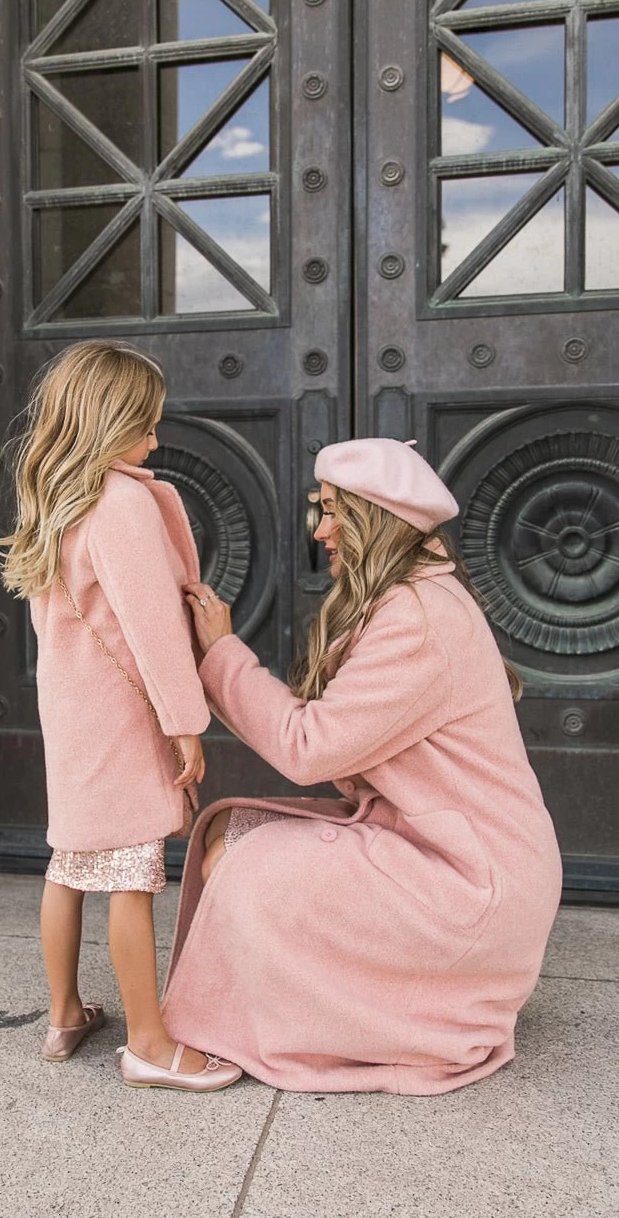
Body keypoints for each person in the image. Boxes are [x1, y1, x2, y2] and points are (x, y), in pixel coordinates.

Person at [164, 437, 562, 1095]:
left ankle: (352, 1024)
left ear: (374, 518)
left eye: (333, 511)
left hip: (471, 880)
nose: (320, 530)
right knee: (228, 838)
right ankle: (315, 1014)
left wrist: (222, 652)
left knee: (246, 867)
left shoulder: (419, 618)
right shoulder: (413, 599)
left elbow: (308, 748)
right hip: (442, 849)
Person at [0, 340, 241, 1092]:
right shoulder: (121, 503)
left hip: (72, 713)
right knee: (132, 873)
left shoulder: (56, 502)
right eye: (147, 425)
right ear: (111, 421)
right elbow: (151, 628)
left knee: (68, 861)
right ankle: (148, 1043)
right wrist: (184, 719)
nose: (156, 441)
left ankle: (64, 1014)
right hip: (123, 715)